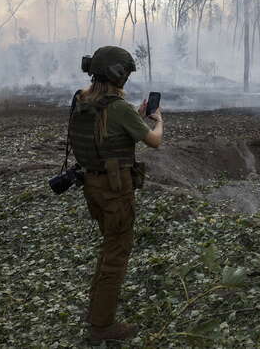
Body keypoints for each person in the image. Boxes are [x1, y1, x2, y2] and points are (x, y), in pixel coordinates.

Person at [68, 46, 163, 344]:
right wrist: (158, 121)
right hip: (115, 189)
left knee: (108, 245)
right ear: (117, 74)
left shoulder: (81, 99)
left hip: (92, 186)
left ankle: (96, 311)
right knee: (116, 253)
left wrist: (134, 115)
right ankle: (102, 326)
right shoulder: (118, 107)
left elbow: (106, 127)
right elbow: (154, 142)